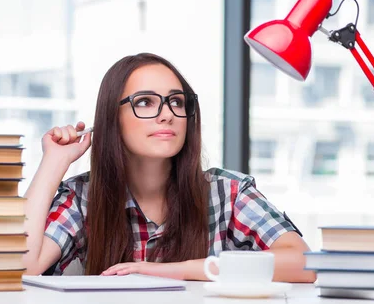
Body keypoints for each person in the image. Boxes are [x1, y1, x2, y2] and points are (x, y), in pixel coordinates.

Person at [23, 52, 316, 282]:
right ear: (113, 118)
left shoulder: (228, 193)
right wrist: (53, 163)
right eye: (146, 102)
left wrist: (176, 270)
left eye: (176, 101)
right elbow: (21, 267)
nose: (167, 114)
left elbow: (304, 263)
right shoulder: (82, 197)